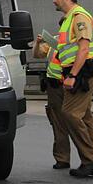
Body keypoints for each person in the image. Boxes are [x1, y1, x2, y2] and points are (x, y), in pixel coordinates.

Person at [52, 0, 93, 178]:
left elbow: (83, 49)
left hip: (82, 72)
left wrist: (72, 75)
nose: (54, 0)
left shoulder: (79, 17)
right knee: (85, 116)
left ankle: (90, 161)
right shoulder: (69, 19)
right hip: (80, 71)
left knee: (70, 113)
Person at [33, 17, 70, 169]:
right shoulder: (54, 41)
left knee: (75, 123)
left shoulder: (77, 41)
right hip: (54, 87)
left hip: (71, 87)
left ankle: (88, 159)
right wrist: (38, 43)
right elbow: (37, 55)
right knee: (58, 123)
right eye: (62, 28)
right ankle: (62, 159)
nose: (63, 31)